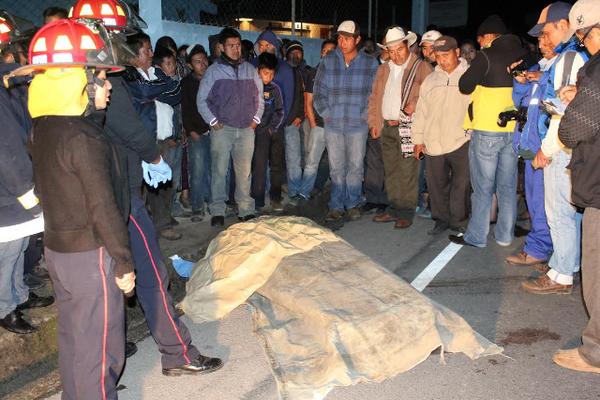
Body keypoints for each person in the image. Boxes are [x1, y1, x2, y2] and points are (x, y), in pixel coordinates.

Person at [69, 0, 223, 374]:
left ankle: (104, 364)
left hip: (85, 198)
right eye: (119, 33)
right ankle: (178, 354)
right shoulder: (107, 77)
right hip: (119, 195)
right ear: (105, 33)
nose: (124, 40)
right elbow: (129, 126)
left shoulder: (65, 78)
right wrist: (154, 155)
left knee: (103, 286)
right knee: (152, 274)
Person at [12, 19, 136, 398]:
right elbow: (102, 207)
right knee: (101, 351)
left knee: (75, 340)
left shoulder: (45, 128)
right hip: (91, 257)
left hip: (59, 252)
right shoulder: (83, 139)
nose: (110, 85)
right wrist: (124, 263)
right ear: (79, 83)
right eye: (101, 76)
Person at [520, 2, 587, 295]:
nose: (544, 39)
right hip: (569, 145)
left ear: (563, 25)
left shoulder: (570, 58)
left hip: (563, 147)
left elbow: (563, 111)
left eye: (547, 31)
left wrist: (546, 149)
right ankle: (566, 263)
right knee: (569, 213)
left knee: (559, 212)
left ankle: (561, 275)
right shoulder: (571, 56)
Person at [449, 15, 526, 248]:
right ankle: (504, 236)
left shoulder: (486, 56)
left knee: (482, 187)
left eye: (481, 39)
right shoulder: (522, 55)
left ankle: (477, 236)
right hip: (513, 130)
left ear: (489, 37)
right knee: (507, 186)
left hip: (487, 130)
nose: (480, 43)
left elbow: (464, 85)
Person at [554, 0, 600, 374]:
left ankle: (595, 352)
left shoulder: (597, 71)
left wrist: (572, 105)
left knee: (597, 269)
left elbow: (574, 130)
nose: (582, 44)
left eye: (583, 36)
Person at [0, 37, 52, 334]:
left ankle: (18, 295)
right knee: (7, 252)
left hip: (18, 184)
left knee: (19, 248)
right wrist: (26, 193)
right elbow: (7, 150)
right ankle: (5, 307)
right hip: (9, 191)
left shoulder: (11, 90)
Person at [313, 20, 379, 223]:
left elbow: (375, 95)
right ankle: (336, 205)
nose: (342, 42)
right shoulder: (328, 61)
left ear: (357, 40)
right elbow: (318, 92)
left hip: (357, 125)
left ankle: (352, 203)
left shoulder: (370, 63)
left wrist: (364, 116)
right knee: (336, 167)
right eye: (340, 38)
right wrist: (327, 113)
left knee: (355, 166)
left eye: (347, 38)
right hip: (333, 124)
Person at [367, 26, 433, 229]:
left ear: (408, 46)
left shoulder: (421, 67)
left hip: (409, 127)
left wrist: (415, 102)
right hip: (386, 125)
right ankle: (394, 208)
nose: (395, 55)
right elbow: (375, 97)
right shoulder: (383, 69)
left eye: (399, 50)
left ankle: (405, 211)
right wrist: (374, 122)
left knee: (408, 170)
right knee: (391, 168)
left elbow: (430, 96)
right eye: (391, 50)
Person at [198, 27, 264, 226]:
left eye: (238, 45)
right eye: (231, 45)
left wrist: (255, 120)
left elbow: (260, 98)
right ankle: (218, 209)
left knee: (244, 172)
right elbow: (201, 100)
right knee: (219, 171)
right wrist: (213, 122)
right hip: (222, 130)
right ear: (221, 47)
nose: (236, 49)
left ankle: (245, 209)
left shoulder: (250, 70)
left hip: (246, 130)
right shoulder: (214, 71)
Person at [504, 33, 558, 268]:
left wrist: (544, 79)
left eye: (547, 36)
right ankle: (547, 250)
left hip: (546, 147)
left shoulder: (563, 65)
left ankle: (539, 249)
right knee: (536, 201)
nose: (542, 42)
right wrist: (521, 82)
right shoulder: (538, 66)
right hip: (529, 145)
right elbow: (521, 102)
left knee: (545, 203)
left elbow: (561, 97)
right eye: (540, 39)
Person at [124, 32, 183, 241]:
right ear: (134, 52)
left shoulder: (156, 73)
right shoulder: (128, 75)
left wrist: (153, 91)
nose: (151, 53)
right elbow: (142, 92)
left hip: (164, 137)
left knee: (163, 184)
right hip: (143, 139)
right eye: (147, 50)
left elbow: (177, 92)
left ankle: (162, 221)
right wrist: (156, 91)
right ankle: (148, 226)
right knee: (140, 186)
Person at [412, 36, 471, 235]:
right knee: (436, 184)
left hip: (461, 140)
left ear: (456, 53)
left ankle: (459, 220)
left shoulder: (470, 76)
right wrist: (418, 139)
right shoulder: (431, 80)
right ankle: (441, 219)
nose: (442, 60)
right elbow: (421, 111)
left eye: (446, 55)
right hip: (433, 140)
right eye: (438, 56)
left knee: (461, 184)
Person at [298, 39, 336, 201]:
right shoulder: (313, 73)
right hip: (319, 126)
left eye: (332, 51)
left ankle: (337, 195)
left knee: (336, 164)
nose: (328, 54)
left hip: (337, 128)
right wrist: (313, 124)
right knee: (311, 161)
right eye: (325, 50)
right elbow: (308, 101)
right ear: (321, 53)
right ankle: (304, 192)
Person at [251, 52, 285, 212]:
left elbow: (280, 111)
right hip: (257, 133)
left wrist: (272, 128)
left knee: (276, 165)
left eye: (272, 74)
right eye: (265, 73)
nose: (268, 77)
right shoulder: (251, 87)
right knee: (259, 166)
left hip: (273, 131)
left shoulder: (275, 89)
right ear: (258, 71)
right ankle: (258, 199)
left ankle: (276, 197)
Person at [182, 44, 211, 222]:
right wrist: (190, 130)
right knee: (198, 169)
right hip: (197, 132)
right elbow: (185, 109)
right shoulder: (187, 83)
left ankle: (213, 202)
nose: (202, 64)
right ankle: (197, 206)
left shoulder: (214, 79)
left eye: (204, 60)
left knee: (214, 169)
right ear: (190, 65)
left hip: (216, 130)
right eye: (197, 62)